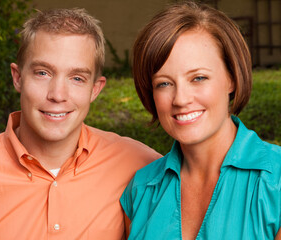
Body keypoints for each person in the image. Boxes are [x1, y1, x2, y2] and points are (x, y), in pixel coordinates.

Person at [0, 8, 161, 239]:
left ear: (95, 89)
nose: (57, 94)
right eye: (43, 73)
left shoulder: (141, 167)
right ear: (18, 78)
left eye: (77, 78)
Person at [120, 2, 281, 239]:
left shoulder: (276, 182)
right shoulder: (141, 190)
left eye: (198, 78)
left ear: (232, 78)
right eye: (164, 83)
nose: (181, 99)